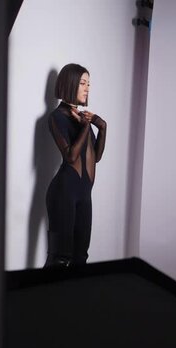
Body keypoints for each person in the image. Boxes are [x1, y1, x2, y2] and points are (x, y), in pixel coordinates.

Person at [44, 63, 107, 268]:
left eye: (89, 84)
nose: (87, 88)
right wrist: (86, 126)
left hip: (84, 195)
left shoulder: (81, 118)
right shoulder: (57, 117)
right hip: (63, 194)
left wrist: (102, 127)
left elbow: (94, 157)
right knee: (60, 259)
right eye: (82, 83)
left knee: (81, 258)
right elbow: (71, 156)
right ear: (70, 83)